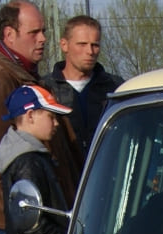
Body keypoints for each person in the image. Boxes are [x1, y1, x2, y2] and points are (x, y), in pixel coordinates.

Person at [0, 1, 78, 230]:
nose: (42, 39)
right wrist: (34, 193)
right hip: (29, 222)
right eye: (34, 32)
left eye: (43, 31)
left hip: (49, 214)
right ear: (9, 34)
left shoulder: (28, 76)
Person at [0, 84, 73, 234]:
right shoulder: (27, 161)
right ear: (30, 115)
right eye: (51, 116)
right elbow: (31, 225)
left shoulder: (30, 156)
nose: (56, 123)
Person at [40, 15, 123, 166]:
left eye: (95, 45)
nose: (90, 51)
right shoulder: (44, 90)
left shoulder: (115, 88)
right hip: (63, 179)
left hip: (107, 176)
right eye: (82, 44)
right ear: (64, 45)